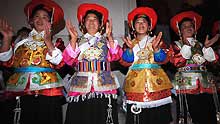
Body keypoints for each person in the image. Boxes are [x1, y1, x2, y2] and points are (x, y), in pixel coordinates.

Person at [0, 0, 65, 124]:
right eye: (37, 16)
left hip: (47, 90)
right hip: (20, 90)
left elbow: (60, 62)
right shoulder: (21, 42)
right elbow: (7, 61)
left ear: (50, 22)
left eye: (45, 17)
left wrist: (48, 41)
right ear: (31, 20)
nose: (40, 19)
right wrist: (7, 39)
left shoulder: (57, 43)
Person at [62, 3, 122, 124]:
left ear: (100, 24)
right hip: (80, 87)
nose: (91, 22)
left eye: (95, 19)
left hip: (104, 86)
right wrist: (73, 40)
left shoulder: (106, 41)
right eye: (88, 19)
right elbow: (68, 60)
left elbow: (116, 55)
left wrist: (110, 37)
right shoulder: (77, 41)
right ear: (83, 24)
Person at [120, 7, 173, 124]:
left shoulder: (157, 41)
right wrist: (129, 49)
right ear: (133, 26)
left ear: (149, 26)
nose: (141, 24)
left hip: (156, 84)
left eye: (144, 22)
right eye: (137, 22)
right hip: (135, 84)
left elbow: (163, 60)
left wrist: (157, 49)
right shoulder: (129, 43)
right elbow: (125, 61)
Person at [170, 11, 220, 124]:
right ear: (179, 31)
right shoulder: (176, 45)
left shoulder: (201, 45)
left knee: (208, 115)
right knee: (190, 116)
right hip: (186, 86)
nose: (188, 28)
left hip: (205, 85)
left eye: (191, 26)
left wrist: (207, 48)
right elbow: (178, 62)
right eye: (184, 26)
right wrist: (187, 45)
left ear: (195, 29)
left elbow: (215, 62)